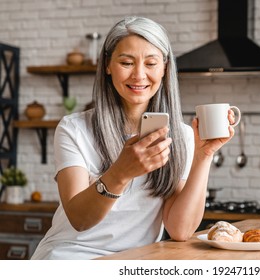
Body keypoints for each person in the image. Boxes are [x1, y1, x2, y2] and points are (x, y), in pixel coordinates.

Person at [31, 16, 235, 259]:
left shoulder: (181, 136)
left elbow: (180, 230)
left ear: (165, 68)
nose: (139, 75)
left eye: (151, 63)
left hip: (133, 262)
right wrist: (122, 172)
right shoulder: (74, 128)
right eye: (126, 62)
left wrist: (203, 155)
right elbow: (79, 219)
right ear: (107, 65)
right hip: (69, 258)